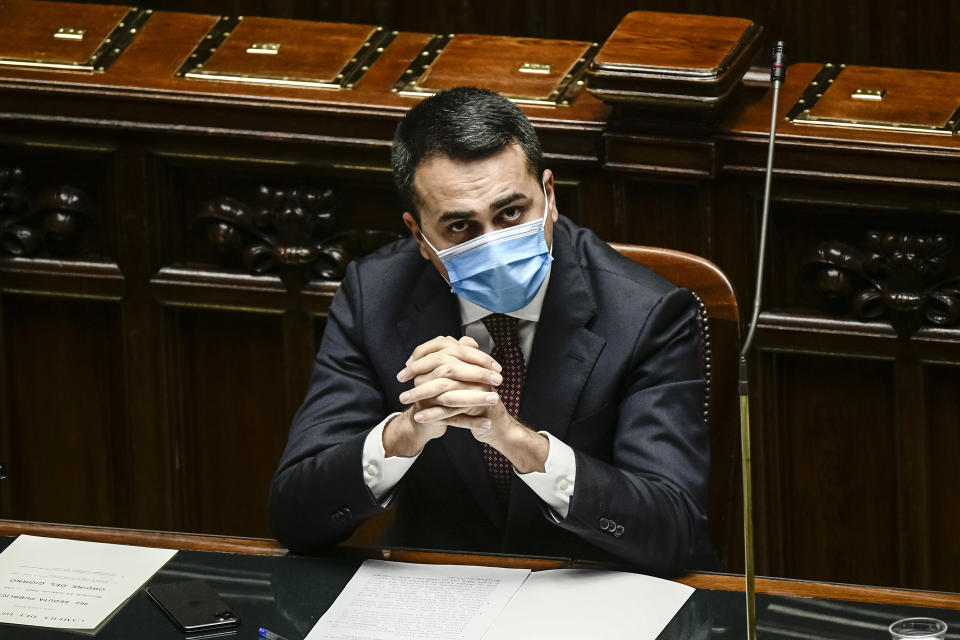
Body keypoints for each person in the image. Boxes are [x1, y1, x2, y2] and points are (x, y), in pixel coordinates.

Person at [269, 87, 713, 575]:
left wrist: (518, 443)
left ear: (549, 194)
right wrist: (403, 434)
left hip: (590, 590)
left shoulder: (648, 312)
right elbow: (295, 517)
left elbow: (674, 530)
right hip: (439, 598)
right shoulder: (373, 294)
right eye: (461, 227)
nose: (495, 244)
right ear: (419, 236)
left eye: (511, 213)